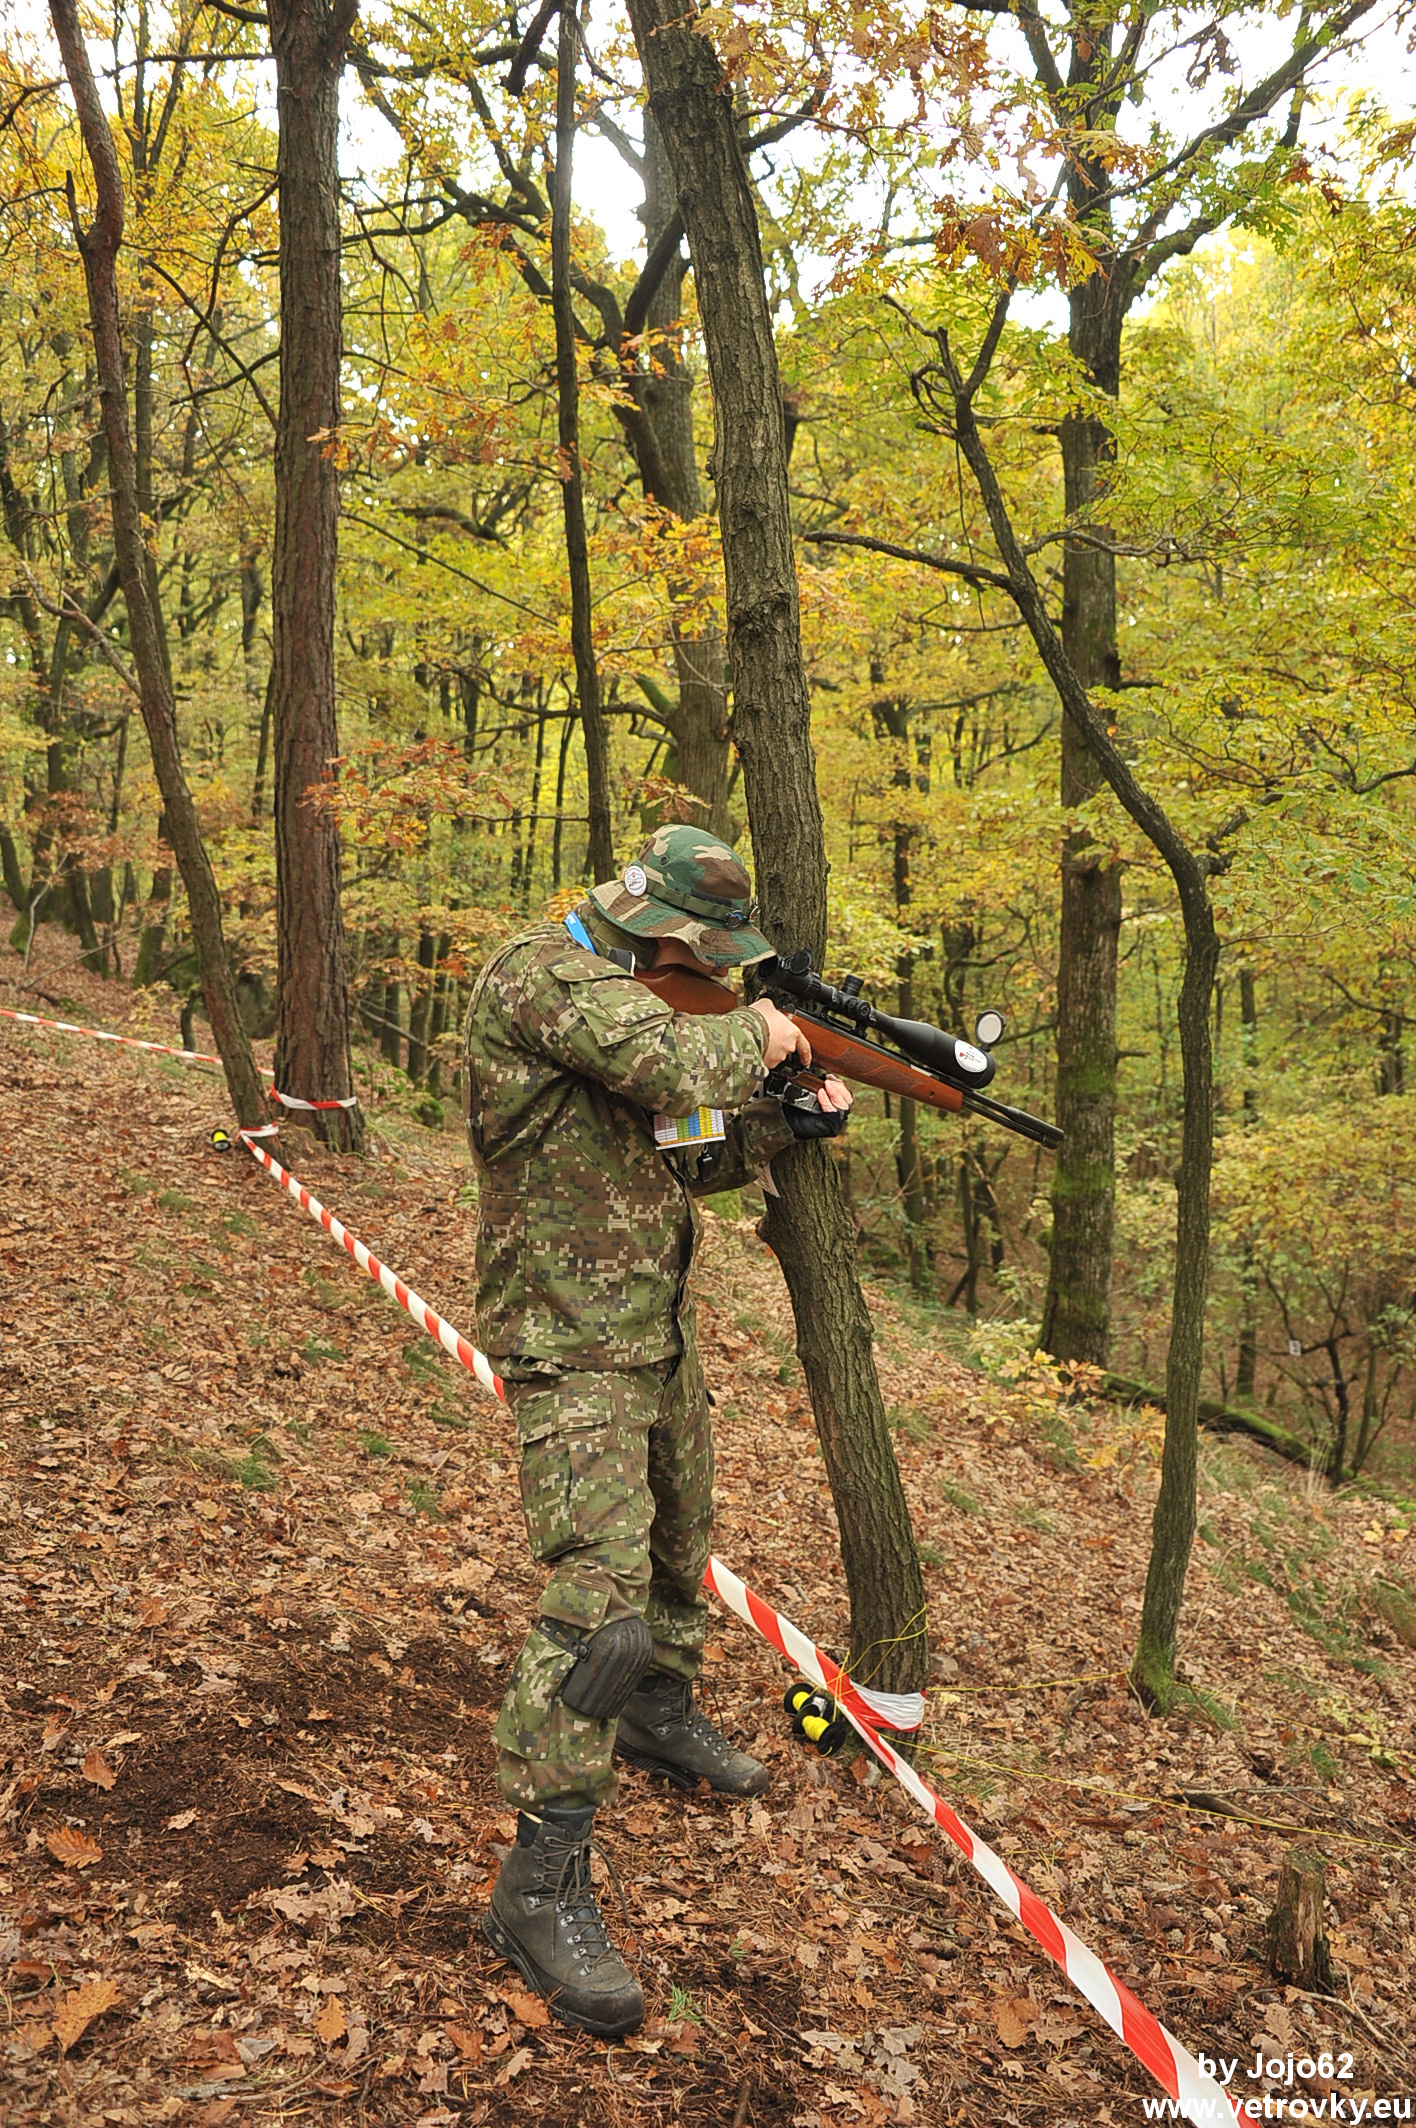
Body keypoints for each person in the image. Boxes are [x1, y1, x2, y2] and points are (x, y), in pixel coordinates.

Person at [461, 823, 852, 2035]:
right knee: (599, 1606)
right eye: (708, 953)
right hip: (570, 1338)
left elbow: (683, 1150)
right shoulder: (542, 975)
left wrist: (785, 1121)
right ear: (658, 927)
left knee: (682, 1546)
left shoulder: (644, 1010)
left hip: (653, 1327)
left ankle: (658, 1712)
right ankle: (537, 1887)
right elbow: (669, 1060)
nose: (719, 975)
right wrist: (769, 1033)